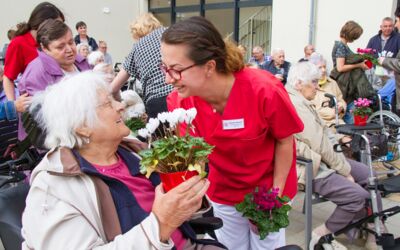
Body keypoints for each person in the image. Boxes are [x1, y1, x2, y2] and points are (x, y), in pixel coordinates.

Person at [21, 71, 225, 250]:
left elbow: (178, 211)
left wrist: (190, 202)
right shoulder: (54, 186)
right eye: (108, 103)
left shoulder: (133, 151)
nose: (120, 105)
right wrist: (162, 223)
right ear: (82, 126)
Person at [162, 16, 304, 250]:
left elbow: (285, 141)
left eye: (176, 70)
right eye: (165, 68)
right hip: (224, 192)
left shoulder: (264, 90)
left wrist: (274, 199)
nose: (168, 79)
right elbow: (191, 157)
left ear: (209, 66)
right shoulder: (181, 102)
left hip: (267, 189)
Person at [285, 62, 381, 250]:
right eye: (313, 82)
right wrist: (345, 171)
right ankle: (322, 234)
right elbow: (319, 144)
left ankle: (373, 225)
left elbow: (324, 131)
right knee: (357, 197)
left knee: (370, 175)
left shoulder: (302, 100)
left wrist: (340, 138)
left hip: (327, 159)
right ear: (298, 83)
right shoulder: (296, 104)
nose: (317, 86)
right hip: (312, 166)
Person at [18, 19, 90, 140]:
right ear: (45, 48)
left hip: (88, 131)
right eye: (60, 46)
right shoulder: (35, 74)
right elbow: (43, 121)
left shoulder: (81, 62)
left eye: (71, 42)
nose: (69, 49)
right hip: (56, 141)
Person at [2, 2, 64, 113]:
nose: (60, 29)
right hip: (36, 106)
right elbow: (8, 77)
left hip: (58, 99)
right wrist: (15, 105)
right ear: (41, 23)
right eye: (56, 25)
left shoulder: (54, 41)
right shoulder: (19, 43)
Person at [110, 13, 172, 119]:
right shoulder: (169, 33)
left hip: (157, 102)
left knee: (163, 135)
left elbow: (113, 88)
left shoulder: (137, 47)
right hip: (182, 92)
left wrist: (120, 103)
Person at [330, 20, 373, 124]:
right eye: (355, 36)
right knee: (348, 112)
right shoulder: (341, 46)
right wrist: (359, 65)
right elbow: (340, 68)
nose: (355, 39)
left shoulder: (343, 46)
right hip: (343, 84)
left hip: (346, 84)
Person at [308, 52, 346, 128]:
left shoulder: (332, 82)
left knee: (353, 136)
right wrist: (333, 112)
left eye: (324, 67)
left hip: (338, 122)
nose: (323, 70)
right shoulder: (308, 85)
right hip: (319, 125)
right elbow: (312, 110)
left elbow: (341, 100)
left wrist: (341, 107)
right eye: (320, 67)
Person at [379, 9, 400, 114]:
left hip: (392, 77)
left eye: (396, 21)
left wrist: (385, 61)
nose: (396, 25)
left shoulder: (397, 38)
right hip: (378, 76)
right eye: (385, 26)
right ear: (381, 27)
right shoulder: (374, 39)